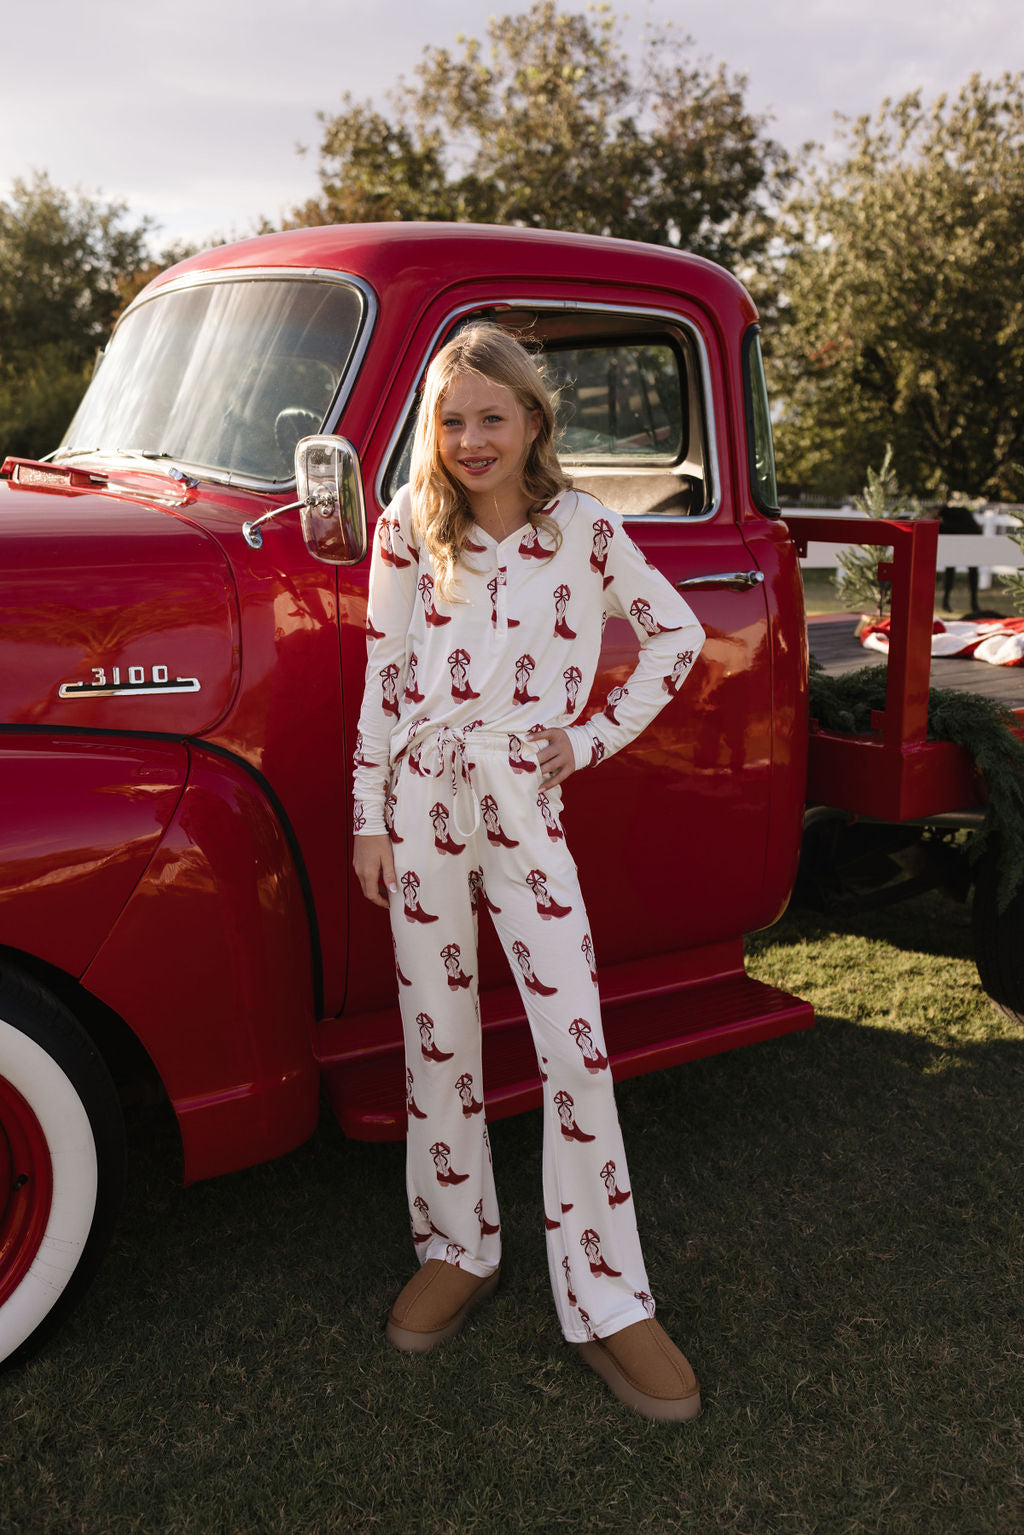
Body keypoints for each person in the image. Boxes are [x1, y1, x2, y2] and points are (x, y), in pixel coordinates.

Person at [352, 326, 706, 1422]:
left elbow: (676, 637)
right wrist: (368, 817)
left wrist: (586, 739)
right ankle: (460, 1243)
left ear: (533, 422)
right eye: (451, 420)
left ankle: (606, 1296)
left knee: (575, 1043)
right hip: (419, 804)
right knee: (438, 1034)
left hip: (523, 801)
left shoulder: (586, 530)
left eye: (490, 417)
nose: (469, 438)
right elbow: (380, 676)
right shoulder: (410, 525)